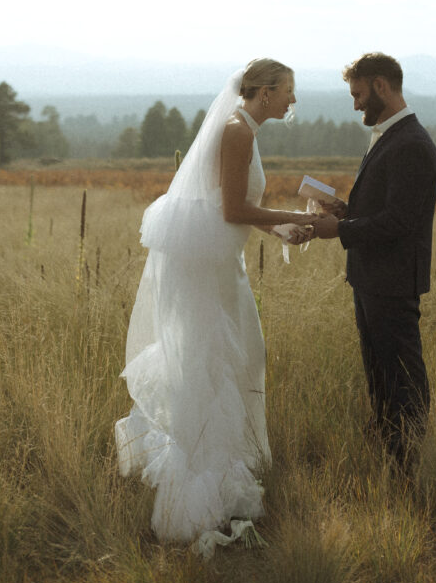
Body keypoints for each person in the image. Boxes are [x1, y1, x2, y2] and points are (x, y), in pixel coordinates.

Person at [115, 59, 316, 556]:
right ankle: (196, 494)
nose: (293, 100)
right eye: (288, 91)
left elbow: (228, 208)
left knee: (235, 359)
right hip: (207, 270)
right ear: (265, 93)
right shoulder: (237, 131)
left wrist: (281, 229)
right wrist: (290, 215)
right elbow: (231, 211)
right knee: (215, 366)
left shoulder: (242, 128)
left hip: (218, 262)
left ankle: (220, 474)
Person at [313, 52, 436, 472]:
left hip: (392, 281)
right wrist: (347, 211)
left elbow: (401, 221)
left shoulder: (412, 144)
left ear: (381, 87)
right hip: (371, 279)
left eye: (358, 94)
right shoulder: (391, 136)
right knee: (380, 375)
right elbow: (387, 208)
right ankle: (391, 455)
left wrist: (341, 231)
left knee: (402, 376)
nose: (355, 105)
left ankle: (410, 463)